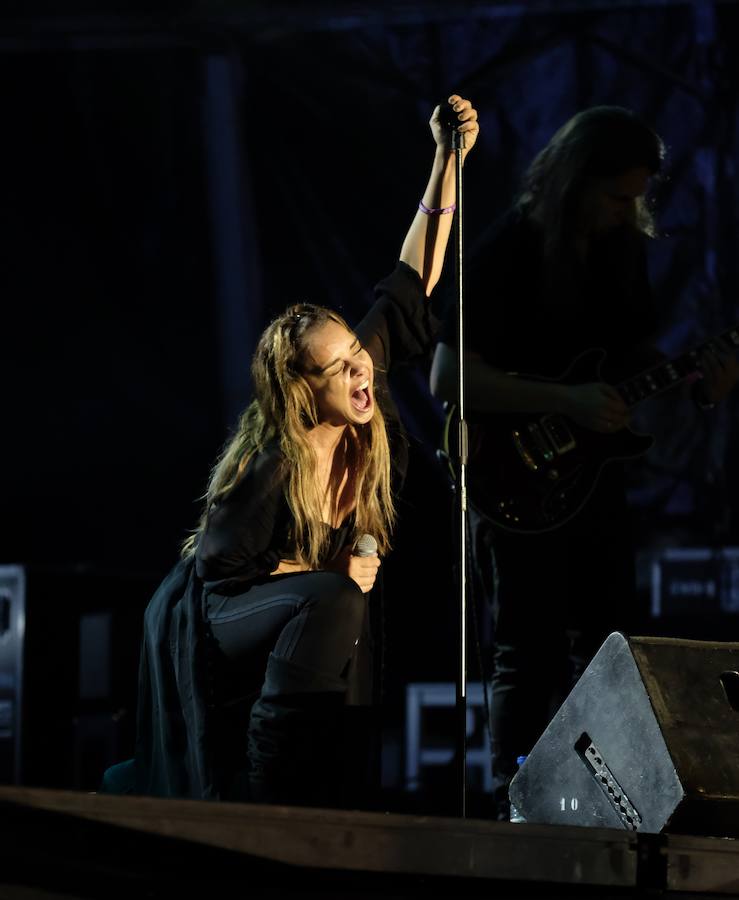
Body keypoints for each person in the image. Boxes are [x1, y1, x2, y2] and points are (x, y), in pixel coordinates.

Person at [112, 95, 479, 808]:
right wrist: (318, 570)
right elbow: (220, 580)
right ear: (300, 389)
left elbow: (412, 278)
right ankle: (266, 798)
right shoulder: (267, 466)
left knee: (342, 607)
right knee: (335, 594)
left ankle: (324, 802)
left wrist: (446, 157)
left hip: (309, 607)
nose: (358, 371)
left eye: (355, 356)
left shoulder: (363, 395)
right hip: (213, 614)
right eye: (336, 368)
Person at [429, 105, 737, 820]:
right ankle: (515, 807)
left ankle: (603, 801)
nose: (627, 210)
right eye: (615, 196)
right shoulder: (510, 249)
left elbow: (630, 364)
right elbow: (448, 377)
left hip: (594, 480)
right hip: (515, 472)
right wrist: (564, 400)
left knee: (611, 645)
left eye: (636, 197)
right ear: (574, 181)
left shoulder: (621, 250)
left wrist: (700, 385)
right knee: (527, 648)